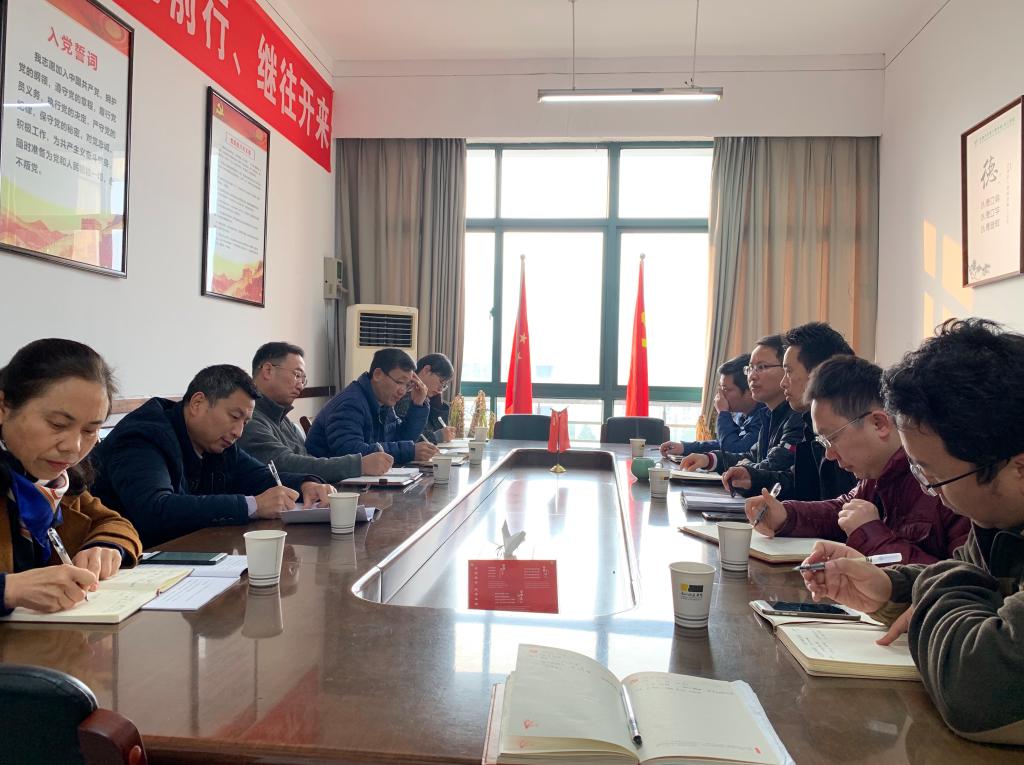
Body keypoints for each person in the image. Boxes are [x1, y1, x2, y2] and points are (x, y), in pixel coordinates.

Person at [800, 319, 1024, 745]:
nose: (928, 492)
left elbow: (976, 687)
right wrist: (890, 587)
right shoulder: (996, 516)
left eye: (933, 477)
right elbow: (967, 576)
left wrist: (935, 585)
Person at [746, 355, 969, 563]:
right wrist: (786, 515)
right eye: (823, 442)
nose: (829, 454)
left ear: (879, 424)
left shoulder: (947, 482)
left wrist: (869, 533)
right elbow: (842, 510)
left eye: (832, 438)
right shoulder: (877, 474)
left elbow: (961, 582)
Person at [91, 365, 332, 548]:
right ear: (198, 403)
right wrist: (253, 505)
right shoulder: (144, 436)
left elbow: (258, 477)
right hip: (127, 566)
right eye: (234, 416)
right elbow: (155, 510)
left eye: (245, 422)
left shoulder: (218, 443)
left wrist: (306, 484)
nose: (238, 432)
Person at [0, 339, 141, 615]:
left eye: (90, 431)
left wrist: (106, 545)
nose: (74, 447)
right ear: (3, 407)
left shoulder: (55, 482)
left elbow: (111, 521)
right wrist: (8, 589)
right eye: (58, 424)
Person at [238, 342, 393, 483]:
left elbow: (305, 459)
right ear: (268, 370)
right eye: (297, 375)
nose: (301, 386)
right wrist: (358, 465)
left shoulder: (281, 419)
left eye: (303, 379)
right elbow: (285, 464)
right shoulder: (247, 421)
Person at [680, 335, 805, 497]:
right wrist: (709, 459)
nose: (752, 376)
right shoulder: (768, 414)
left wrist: (746, 466)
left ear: (786, 370)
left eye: (762, 367)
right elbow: (752, 456)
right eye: (750, 368)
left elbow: (773, 466)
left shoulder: (798, 417)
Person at [743, 322, 858, 500]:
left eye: (788, 372)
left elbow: (840, 506)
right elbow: (799, 482)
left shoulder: (853, 432)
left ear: (819, 373)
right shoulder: (810, 424)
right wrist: (751, 478)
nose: (783, 383)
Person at [306, 348, 437, 464]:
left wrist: (418, 405)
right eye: (399, 382)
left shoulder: (383, 403)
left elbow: (401, 438)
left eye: (408, 385)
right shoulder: (350, 403)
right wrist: (409, 451)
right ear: (377, 374)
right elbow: (351, 453)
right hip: (328, 482)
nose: (403, 391)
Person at [659, 354, 766, 458]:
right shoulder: (741, 414)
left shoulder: (764, 418)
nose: (720, 395)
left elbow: (732, 451)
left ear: (750, 390)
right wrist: (684, 448)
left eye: (725, 389)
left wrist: (723, 412)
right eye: (720, 388)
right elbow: (724, 442)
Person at [394, 353, 457, 444]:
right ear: (426, 370)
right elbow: (405, 438)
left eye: (444, 386)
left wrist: (438, 407)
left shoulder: (427, 397)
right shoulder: (404, 393)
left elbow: (440, 431)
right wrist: (437, 436)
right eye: (441, 382)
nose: (441, 389)